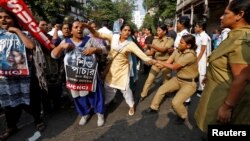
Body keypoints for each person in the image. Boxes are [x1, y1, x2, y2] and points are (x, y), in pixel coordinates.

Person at [195, 0, 250, 134]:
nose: (221, 17)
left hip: (223, 100)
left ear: (239, 15)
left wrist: (227, 106)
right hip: (217, 93)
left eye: (225, 13)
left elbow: (242, 78)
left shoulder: (241, 39)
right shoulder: (234, 35)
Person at [88, 23, 155, 116]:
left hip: (123, 69)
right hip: (111, 68)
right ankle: (107, 102)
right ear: (120, 31)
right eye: (125, 30)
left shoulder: (130, 44)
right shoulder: (113, 37)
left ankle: (131, 105)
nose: (127, 32)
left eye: (129, 31)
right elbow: (97, 34)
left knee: (126, 89)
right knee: (108, 87)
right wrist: (88, 27)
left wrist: (152, 61)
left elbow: (141, 54)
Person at [0, 8, 45, 141]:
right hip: (5, 77)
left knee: (31, 99)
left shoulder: (24, 33)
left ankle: (38, 120)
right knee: (8, 103)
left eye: (7, 17)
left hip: (24, 75)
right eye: (0, 17)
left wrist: (17, 31)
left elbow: (31, 46)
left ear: (14, 19)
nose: (3, 19)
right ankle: (11, 127)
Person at [51, 20, 106, 127]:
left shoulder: (90, 40)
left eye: (81, 27)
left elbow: (104, 50)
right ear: (71, 30)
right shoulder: (66, 41)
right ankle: (85, 114)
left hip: (90, 74)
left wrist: (95, 49)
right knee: (78, 97)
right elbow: (54, 55)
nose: (79, 29)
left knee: (95, 94)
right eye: (76, 27)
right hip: (74, 76)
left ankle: (100, 113)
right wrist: (62, 47)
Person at [143, 34, 198, 124]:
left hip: (189, 83)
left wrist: (159, 62)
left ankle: (182, 116)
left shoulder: (190, 55)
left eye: (181, 43)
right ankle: (154, 107)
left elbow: (174, 67)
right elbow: (168, 62)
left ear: (188, 46)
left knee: (175, 103)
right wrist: (155, 63)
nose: (179, 44)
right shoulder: (178, 50)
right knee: (161, 89)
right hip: (178, 79)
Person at [140, 25, 174, 102]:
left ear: (164, 31)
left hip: (166, 63)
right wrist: (141, 53)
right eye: (157, 30)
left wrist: (151, 45)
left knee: (166, 81)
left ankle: (165, 94)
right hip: (156, 62)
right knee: (149, 79)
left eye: (159, 30)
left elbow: (163, 50)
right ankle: (143, 95)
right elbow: (152, 52)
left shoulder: (170, 40)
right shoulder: (155, 40)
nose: (157, 32)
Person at [194, 21, 211, 97]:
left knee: (201, 73)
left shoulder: (204, 36)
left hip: (201, 57)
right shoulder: (198, 35)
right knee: (197, 73)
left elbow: (203, 50)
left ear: (201, 28)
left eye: (196, 26)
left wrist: (197, 60)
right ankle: (199, 88)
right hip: (197, 55)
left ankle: (202, 90)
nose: (195, 27)